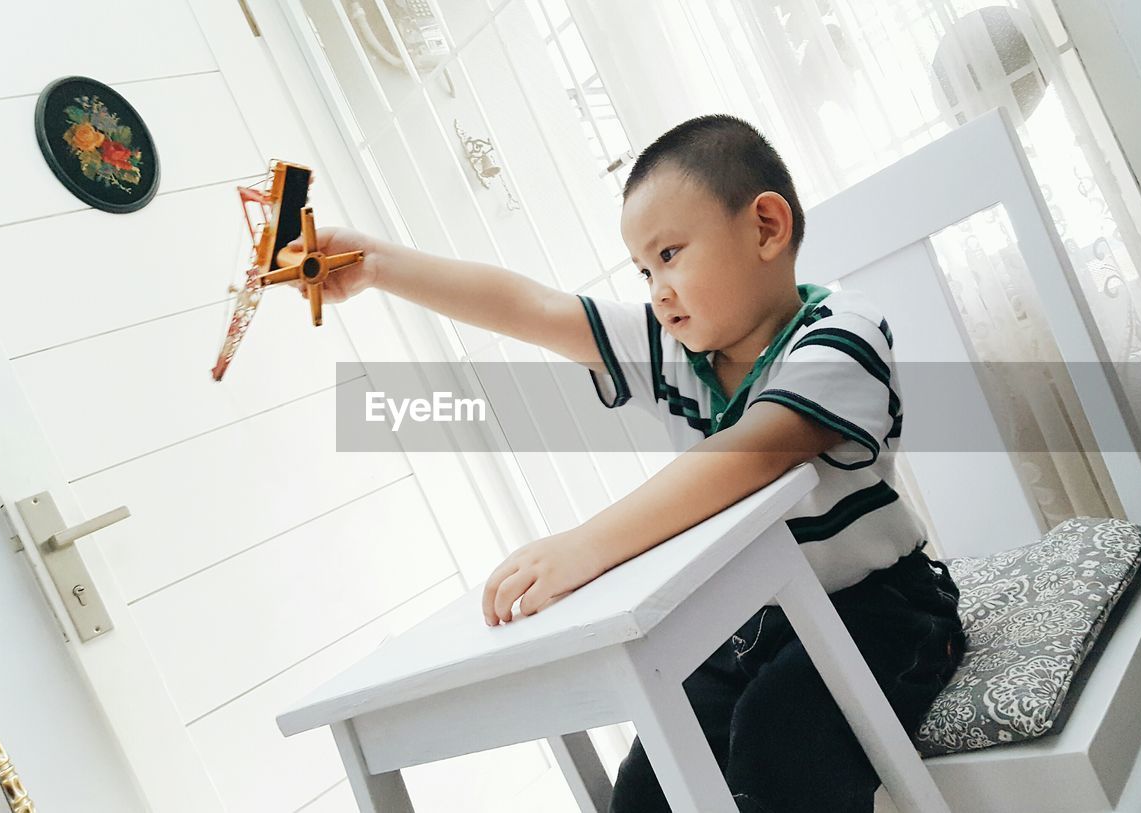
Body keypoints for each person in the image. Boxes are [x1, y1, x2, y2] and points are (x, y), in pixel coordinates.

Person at [287, 113, 967, 812]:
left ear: (766, 227)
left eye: (670, 253)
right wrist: (377, 264)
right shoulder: (671, 351)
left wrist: (586, 546)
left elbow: (755, 452)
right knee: (645, 788)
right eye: (645, 270)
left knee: (777, 742)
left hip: (879, 610)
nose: (657, 288)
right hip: (747, 630)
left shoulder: (842, 332)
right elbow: (532, 306)